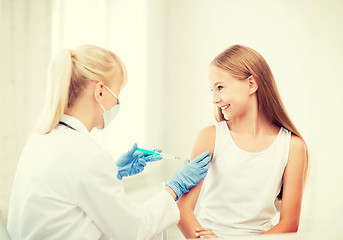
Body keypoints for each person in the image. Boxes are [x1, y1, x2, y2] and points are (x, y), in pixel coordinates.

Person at [7, 44, 211, 240]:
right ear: (101, 91)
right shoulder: (88, 156)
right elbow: (135, 230)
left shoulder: (41, 139)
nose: (118, 102)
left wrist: (113, 172)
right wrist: (174, 188)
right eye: (118, 93)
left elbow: (71, 193)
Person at [177, 44, 308, 238]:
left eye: (220, 87)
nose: (214, 98)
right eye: (212, 90)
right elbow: (182, 210)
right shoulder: (210, 137)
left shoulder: (293, 146)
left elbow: (289, 224)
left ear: (251, 84)